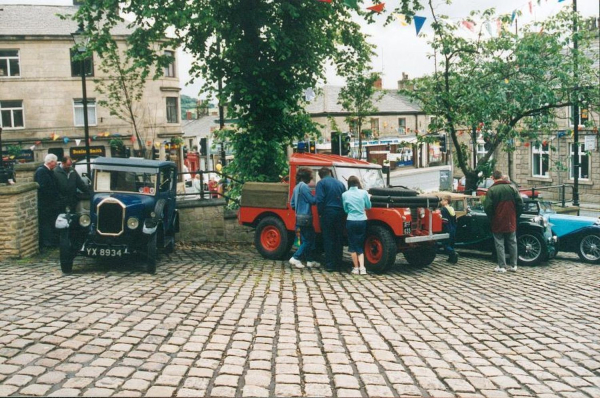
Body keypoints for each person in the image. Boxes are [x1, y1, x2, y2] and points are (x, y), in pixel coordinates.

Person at [484, 169, 524, 273]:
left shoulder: (491, 190)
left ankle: (502, 266)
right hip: (511, 219)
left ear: (493, 178)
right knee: (512, 242)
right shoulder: (512, 188)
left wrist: (492, 217)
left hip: (497, 220)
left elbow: (488, 207)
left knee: (499, 243)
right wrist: (515, 215)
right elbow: (520, 204)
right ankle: (514, 265)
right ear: (501, 176)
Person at [316, 167, 346, 272]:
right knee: (338, 238)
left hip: (328, 212)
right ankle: (338, 263)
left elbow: (319, 200)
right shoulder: (340, 183)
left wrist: (320, 213)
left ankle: (330, 264)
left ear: (320, 175)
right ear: (330, 173)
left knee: (328, 238)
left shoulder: (321, 183)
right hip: (340, 212)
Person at [342, 176, 371, 275]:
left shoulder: (345, 194)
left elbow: (345, 209)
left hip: (351, 220)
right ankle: (363, 268)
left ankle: (356, 268)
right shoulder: (364, 193)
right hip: (362, 220)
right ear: (358, 183)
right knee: (360, 243)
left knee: (352, 244)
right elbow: (368, 206)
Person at [290, 168, 318, 269]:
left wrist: (299, 207)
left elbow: (292, 204)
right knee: (309, 240)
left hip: (298, 217)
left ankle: (310, 260)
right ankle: (295, 257)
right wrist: (318, 195)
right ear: (306, 178)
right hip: (306, 217)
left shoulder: (296, 187)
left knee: (303, 239)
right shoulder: (305, 187)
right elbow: (312, 200)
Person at [34, 153, 60, 250]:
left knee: (50, 223)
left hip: (51, 203)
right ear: (51, 162)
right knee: (46, 224)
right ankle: (47, 243)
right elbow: (43, 188)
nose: (56, 164)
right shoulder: (42, 171)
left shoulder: (48, 171)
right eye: (55, 162)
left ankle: (51, 241)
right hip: (45, 203)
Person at [440, 195, 459, 264]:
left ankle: (453, 253)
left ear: (446, 201)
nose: (441, 202)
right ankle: (451, 258)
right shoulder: (452, 208)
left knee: (445, 244)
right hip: (453, 228)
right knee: (451, 244)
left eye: (442, 200)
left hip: (447, 229)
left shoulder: (443, 210)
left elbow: (444, 221)